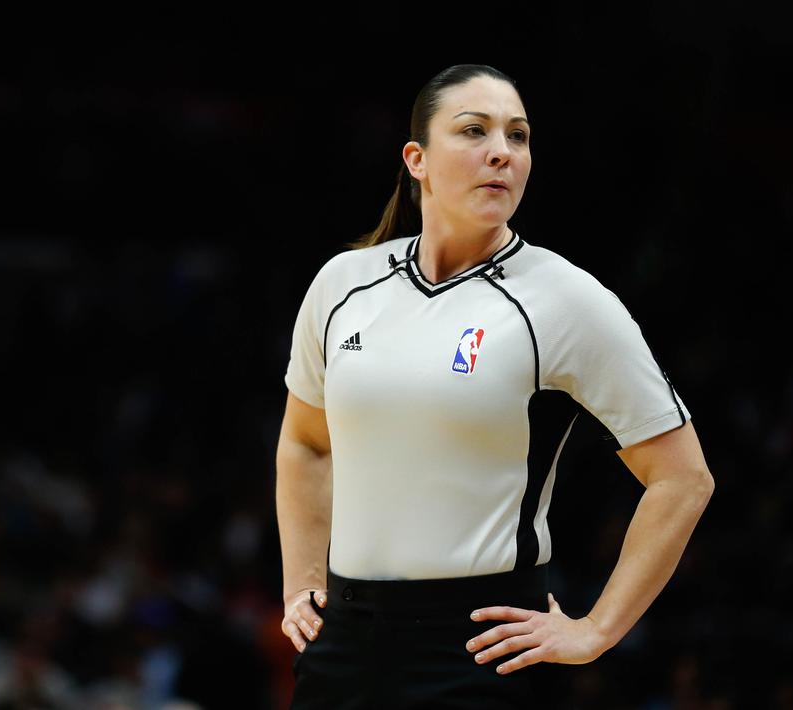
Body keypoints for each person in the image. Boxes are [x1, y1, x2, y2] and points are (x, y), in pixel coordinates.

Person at [275, 64, 714, 708]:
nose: (501, 152)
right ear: (416, 159)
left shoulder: (565, 299)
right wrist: (302, 583)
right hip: (343, 642)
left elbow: (683, 478)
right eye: (474, 131)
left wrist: (595, 630)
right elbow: (305, 443)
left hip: (481, 647)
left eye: (519, 136)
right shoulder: (343, 285)